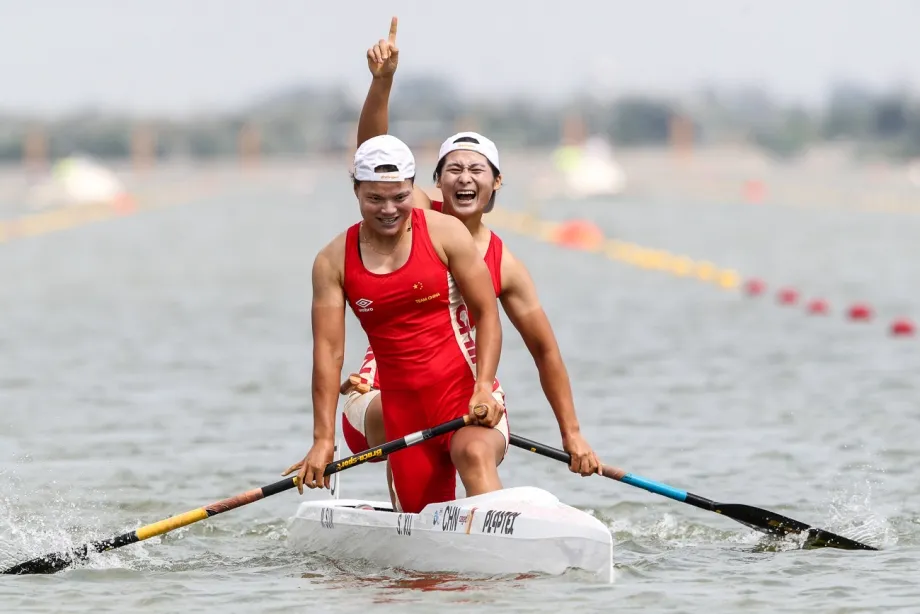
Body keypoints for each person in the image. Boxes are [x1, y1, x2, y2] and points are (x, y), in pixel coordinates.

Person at [337, 16, 601, 497]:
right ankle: (414, 514)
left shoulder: (506, 265)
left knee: (475, 451)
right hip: (380, 394)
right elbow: (373, 156)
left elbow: (545, 351)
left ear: (496, 182)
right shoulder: (413, 215)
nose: (464, 178)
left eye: (476, 170)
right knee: (408, 440)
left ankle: (489, 528)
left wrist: (573, 434)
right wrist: (383, 82)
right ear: (434, 183)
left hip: (465, 396)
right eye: (452, 169)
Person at [283, 134, 508, 514]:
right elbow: (329, 351)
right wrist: (323, 439)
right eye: (375, 199)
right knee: (421, 529)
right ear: (356, 190)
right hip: (402, 413)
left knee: (474, 452)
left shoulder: (446, 233)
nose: (389, 209)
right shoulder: (332, 261)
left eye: (400, 197)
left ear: (412, 187)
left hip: (466, 397)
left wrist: (484, 386)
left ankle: (500, 533)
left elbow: (487, 315)